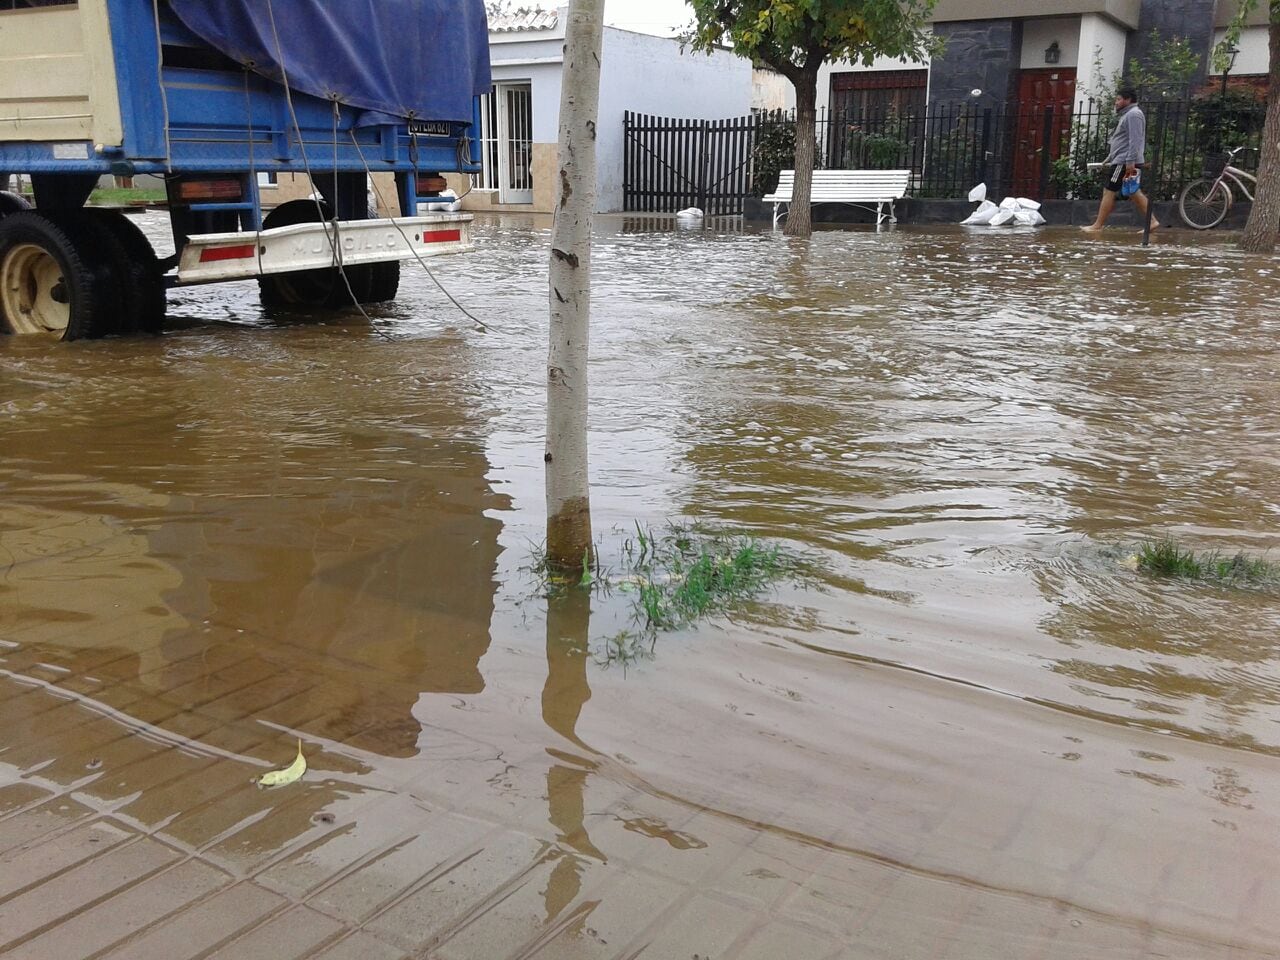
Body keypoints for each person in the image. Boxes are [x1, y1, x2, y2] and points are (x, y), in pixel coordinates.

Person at [1082, 86, 1159, 232]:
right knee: (1134, 192)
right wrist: (1109, 157)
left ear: (1128, 100)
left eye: (1118, 99)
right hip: (1122, 159)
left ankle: (1097, 225)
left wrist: (1129, 161)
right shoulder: (1128, 114)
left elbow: (1134, 140)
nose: (1115, 103)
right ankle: (1153, 221)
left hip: (1124, 161)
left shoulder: (1133, 115)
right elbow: (1122, 140)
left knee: (1109, 191)